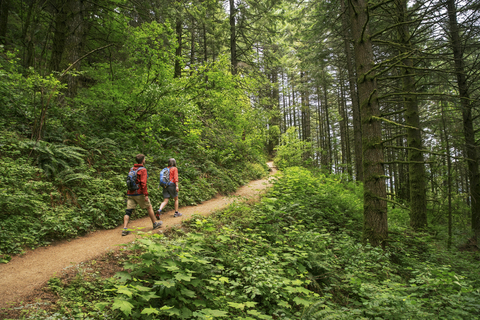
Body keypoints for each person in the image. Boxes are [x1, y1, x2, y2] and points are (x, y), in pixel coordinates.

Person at [123, 154, 163, 236]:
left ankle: (125, 229)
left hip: (130, 193)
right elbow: (143, 183)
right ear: (143, 160)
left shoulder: (132, 169)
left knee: (128, 211)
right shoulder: (143, 170)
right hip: (139, 193)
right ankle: (155, 224)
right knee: (149, 207)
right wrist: (146, 194)